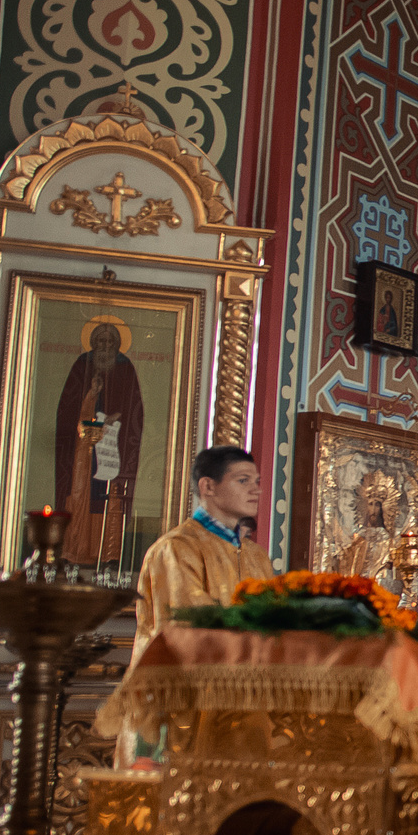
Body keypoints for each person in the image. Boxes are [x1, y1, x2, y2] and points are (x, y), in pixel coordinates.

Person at [110, 446, 277, 765]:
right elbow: (188, 630)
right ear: (208, 487)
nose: (256, 489)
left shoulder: (256, 557)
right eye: (243, 480)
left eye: (257, 480)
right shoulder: (176, 550)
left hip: (242, 708)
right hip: (179, 709)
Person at [55, 319, 145, 568]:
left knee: (109, 495)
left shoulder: (126, 368)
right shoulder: (82, 365)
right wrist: (91, 395)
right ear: (93, 343)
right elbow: (67, 407)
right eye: (100, 341)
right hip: (83, 449)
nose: (105, 346)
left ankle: (107, 553)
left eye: (110, 342)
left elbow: (134, 408)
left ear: (117, 344)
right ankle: (77, 551)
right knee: (82, 492)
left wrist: (118, 418)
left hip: (113, 446)